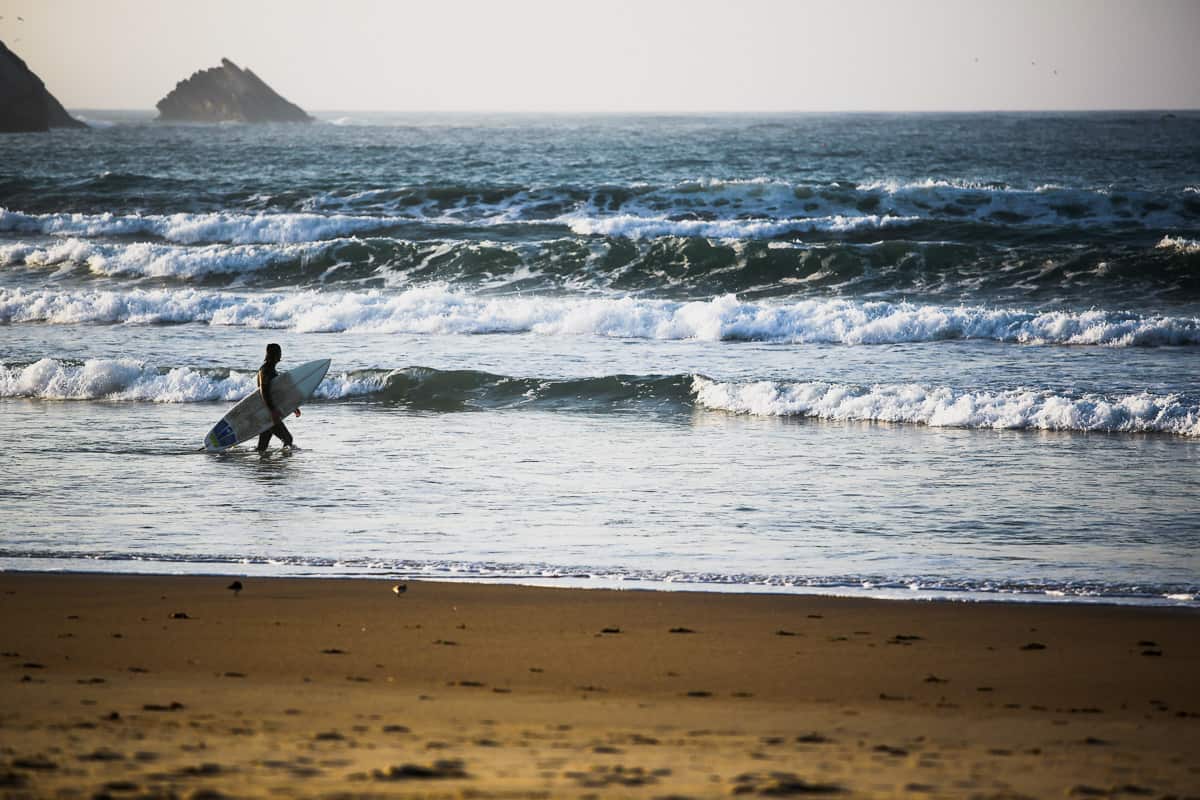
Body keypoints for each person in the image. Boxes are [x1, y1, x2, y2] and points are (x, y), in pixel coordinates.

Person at [256, 343, 301, 452]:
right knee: (288, 439)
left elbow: (277, 393)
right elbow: (264, 392)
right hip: (269, 413)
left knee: (262, 447)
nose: (280, 355)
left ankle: (263, 466)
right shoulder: (266, 370)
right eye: (279, 353)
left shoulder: (271, 370)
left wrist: (292, 406)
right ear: (274, 355)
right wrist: (272, 411)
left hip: (268, 412)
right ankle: (281, 466)